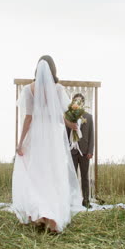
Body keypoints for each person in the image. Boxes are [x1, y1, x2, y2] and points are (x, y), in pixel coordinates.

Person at [12, 55, 83, 233]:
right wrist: (73, 124)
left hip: (36, 136)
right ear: (53, 69)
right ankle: (51, 217)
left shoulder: (29, 89)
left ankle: (38, 215)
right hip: (52, 136)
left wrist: (20, 143)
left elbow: (28, 118)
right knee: (53, 173)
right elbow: (63, 115)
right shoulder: (58, 89)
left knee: (36, 173)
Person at [66, 93, 94, 208]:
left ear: (83, 103)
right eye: (75, 100)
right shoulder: (68, 116)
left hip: (84, 151)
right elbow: (66, 134)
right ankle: (71, 200)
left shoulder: (88, 116)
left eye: (79, 101)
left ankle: (86, 200)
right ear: (73, 102)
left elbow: (91, 134)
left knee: (85, 176)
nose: (77, 103)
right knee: (71, 177)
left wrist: (90, 151)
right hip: (72, 150)